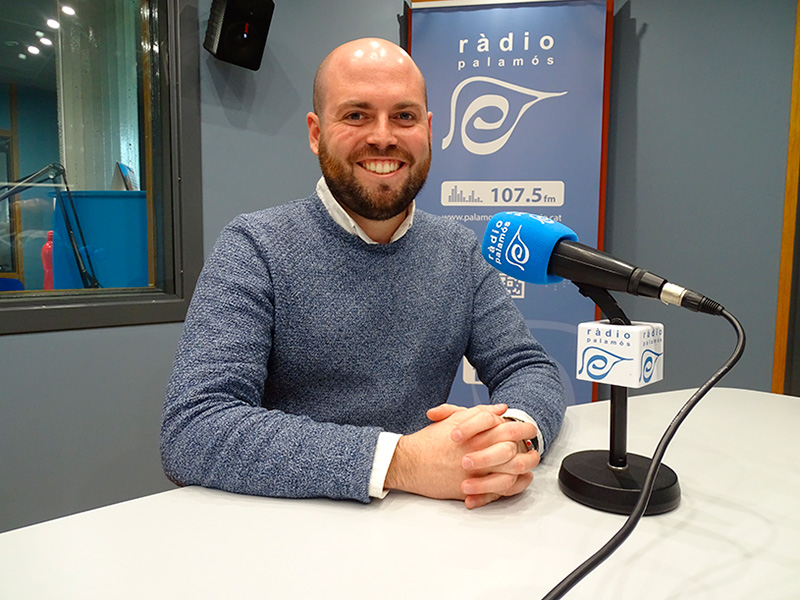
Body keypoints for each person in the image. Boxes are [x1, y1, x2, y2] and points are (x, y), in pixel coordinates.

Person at [161, 38, 566, 510]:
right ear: (315, 132)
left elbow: (528, 367)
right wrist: (403, 461)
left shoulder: (458, 250)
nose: (383, 136)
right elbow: (195, 427)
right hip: (287, 538)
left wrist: (511, 440)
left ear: (428, 130)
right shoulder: (254, 246)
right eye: (356, 115)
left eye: (404, 116)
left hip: (425, 529)